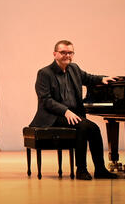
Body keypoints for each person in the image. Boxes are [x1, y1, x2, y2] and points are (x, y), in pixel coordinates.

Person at [29, 40, 117, 180]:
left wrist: (103, 79)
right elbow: (46, 100)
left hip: (72, 114)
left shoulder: (74, 68)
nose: (67, 55)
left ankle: (100, 169)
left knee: (93, 128)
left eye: (70, 52)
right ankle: (81, 170)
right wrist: (65, 111)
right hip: (53, 116)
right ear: (55, 54)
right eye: (63, 52)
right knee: (83, 127)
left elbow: (88, 78)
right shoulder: (44, 73)